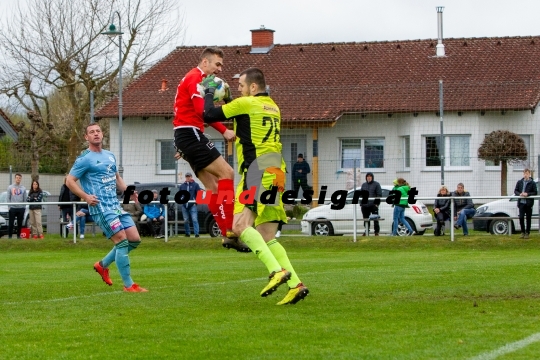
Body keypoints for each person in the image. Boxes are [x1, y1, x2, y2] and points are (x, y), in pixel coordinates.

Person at [203, 67, 309, 305]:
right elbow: (243, 116)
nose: (238, 90)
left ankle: (276, 271)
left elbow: (208, 114)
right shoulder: (273, 106)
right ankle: (296, 284)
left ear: (252, 87)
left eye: (240, 86)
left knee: (239, 225)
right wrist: (230, 100)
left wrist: (210, 91)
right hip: (276, 171)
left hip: (256, 170)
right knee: (267, 235)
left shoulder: (247, 104)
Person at [172, 47, 245, 251]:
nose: (220, 69)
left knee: (213, 188)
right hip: (190, 134)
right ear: (205, 62)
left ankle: (226, 234)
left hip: (184, 135)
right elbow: (202, 112)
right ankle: (231, 228)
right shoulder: (196, 78)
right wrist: (225, 126)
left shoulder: (196, 78)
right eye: (217, 64)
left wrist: (222, 129)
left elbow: (200, 112)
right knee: (227, 173)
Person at [66, 123, 147, 292]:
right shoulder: (84, 159)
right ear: (86, 137)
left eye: (98, 131)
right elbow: (69, 181)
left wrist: (129, 192)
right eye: (91, 132)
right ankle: (128, 285)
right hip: (101, 208)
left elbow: (116, 177)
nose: (96, 134)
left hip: (115, 206)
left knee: (134, 239)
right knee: (121, 240)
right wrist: (86, 197)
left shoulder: (110, 156)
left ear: (102, 135)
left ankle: (102, 265)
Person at [514, 168, 537, 239]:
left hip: (528, 203)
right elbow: (515, 191)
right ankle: (522, 232)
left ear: (529, 174)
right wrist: (520, 194)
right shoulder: (519, 182)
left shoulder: (532, 183)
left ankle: (527, 232)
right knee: (521, 217)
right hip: (521, 203)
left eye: (527, 174)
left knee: (528, 218)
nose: (525, 175)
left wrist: (527, 194)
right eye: (524, 173)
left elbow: (535, 192)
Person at [178, 172, 201, 238]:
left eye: (189, 176)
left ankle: (197, 234)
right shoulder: (182, 186)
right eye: (187, 176)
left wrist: (196, 203)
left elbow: (199, 194)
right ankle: (187, 233)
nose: (188, 178)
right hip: (184, 206)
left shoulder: (195, 185)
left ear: (191, 177)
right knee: (186, 220)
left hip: (192, 205)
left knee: (194, 219)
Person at [360, 172, 382, 236]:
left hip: (373, 205)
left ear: (372, 177)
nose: (369, 178)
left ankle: (376, 232)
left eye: (370, 176)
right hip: (365, 205)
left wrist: (376, 204)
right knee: (366, 219)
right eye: (367, 176)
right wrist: (361, 203)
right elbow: (361, 194)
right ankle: (366, 231)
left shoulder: (376, 184)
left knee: (375, 219)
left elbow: (379, 194)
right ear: (366, 177)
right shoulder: (364, 185)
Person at [7, 173, 27, 239]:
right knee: (11, 223)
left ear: (21, 179)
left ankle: (18, 236)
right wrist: (9, 207)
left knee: (20, 223)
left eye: (19, 178)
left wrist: (24, 207)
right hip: (12, 208)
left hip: (21, 208)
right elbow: (8, 198)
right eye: (17, 177)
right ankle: (10, 236)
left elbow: (25, 198)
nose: (18, 179)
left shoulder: (23, 188)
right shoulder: (10, 187)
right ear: (15, 178)